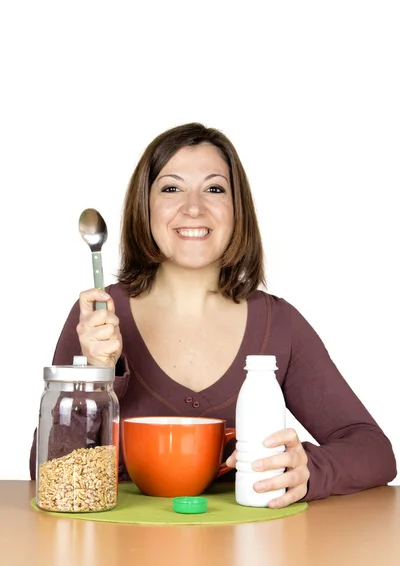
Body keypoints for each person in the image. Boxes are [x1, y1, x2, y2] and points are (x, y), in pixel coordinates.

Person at [29, 122, 397, 508]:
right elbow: (50, 472)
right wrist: (97, 373)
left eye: (215, 189)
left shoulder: (280, 325)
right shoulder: (99, 317)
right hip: (118, 558)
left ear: (237, 209)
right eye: (171, 188)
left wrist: (307, 469)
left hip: (246, 559)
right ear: (145, 206)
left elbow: (374, 451)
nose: (193, 207)